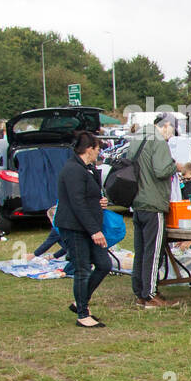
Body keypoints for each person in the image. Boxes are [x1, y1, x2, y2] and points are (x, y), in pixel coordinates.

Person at [54, 132, 112, 328]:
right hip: (75, 227)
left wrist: (100, 201)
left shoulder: (86, 169)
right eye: (97, 149)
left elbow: (89, 195)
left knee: (104, 264)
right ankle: (82, 314)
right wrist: (95, 230)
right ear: (89, 149)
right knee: (83, 270)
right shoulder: (72, 170)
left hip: (88, 226)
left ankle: (80, 300)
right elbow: (77, 203)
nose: (99, 153)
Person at [128, 112, 179, 308]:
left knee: (140, 250)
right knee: (153, 251)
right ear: (166, 125)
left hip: (138, 200)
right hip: (153, 201)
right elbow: (161, 170)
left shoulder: (139, 136)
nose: (172, 135)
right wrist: (174, 165)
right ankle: (150, 294)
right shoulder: (158, 141)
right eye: (173, 130)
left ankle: (140, 291)